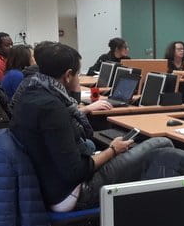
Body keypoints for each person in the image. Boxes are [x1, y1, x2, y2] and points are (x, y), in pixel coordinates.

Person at [10, 42, 170, 212]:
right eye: (77, 74)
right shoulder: (53, 109)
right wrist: (113, 150)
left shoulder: (30, 93)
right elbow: (76, 172)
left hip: (47, 186)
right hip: (73, 193)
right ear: (68, 75)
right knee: (161, 143)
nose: (78, 78)